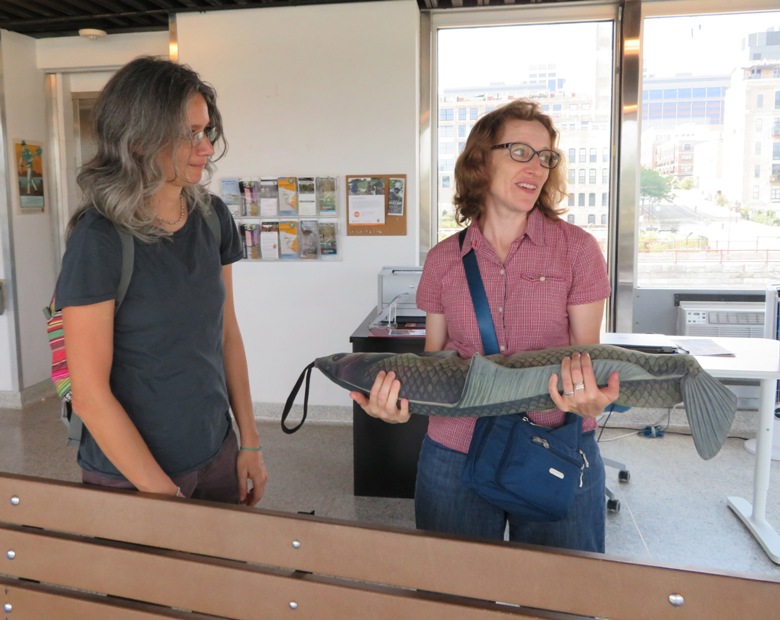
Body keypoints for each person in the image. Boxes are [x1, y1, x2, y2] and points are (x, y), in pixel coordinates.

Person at [352, 99, 620, 552]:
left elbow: (585, 360)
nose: (536, 165)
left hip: (555, 444)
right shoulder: (443, 260)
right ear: (480, 160)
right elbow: (437, 363)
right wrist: (400, 405)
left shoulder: (577, 250)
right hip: (455, 448)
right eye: (520, 151)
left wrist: (590, 399)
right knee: (453, 593)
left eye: (545, 156)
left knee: (561, 595)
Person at [56, 56, 268, 505]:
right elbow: (90, 395)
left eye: (206, 130)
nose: (206, 148)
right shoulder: (99, 238)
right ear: (138, 141)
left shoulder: (213, 217)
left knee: (224, 575)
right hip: (130, 476)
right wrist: (165, 499)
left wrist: (248, 441)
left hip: (216, 452)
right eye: (188, 135)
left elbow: (227, 334)